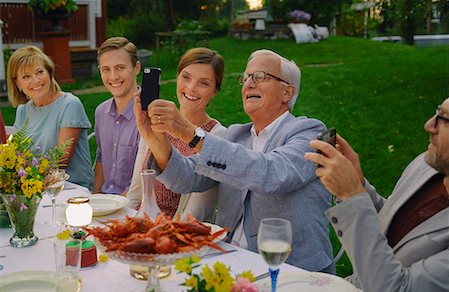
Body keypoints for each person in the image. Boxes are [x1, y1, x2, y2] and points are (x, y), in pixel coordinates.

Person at [134, 49, 334, 273]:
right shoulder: (238, 136)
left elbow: (271, 173)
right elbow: (187, 178)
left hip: (290, 271)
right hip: (229, 263)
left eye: (260, 77)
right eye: (246, 77)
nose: (249, 84)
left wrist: (189, 132)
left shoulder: (309, 132)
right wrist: (156, 139)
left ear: (287, 92)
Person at [304, 98, 449, 292]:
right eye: (437, 112)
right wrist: (359, 186)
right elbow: (392, 223)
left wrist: (352, 197)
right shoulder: (426, 165)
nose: (429, 125)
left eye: (444, 119)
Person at [127, 47, 226, 221]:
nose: (191, 88)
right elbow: (135, 193)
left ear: (215, 92)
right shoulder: (156, 123)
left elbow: (193, 215)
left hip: (179, 236)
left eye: (203, 83)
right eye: (186, 77)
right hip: (142, 226)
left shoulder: (217, 137)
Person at [7, 46, 93, 189]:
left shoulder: (70, 105)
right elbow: (17, 157)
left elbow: (60, 163)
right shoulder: (22, 111)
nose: (35, 80)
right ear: (18, 84)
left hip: (71, 191)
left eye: (39, 72)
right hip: (35, 190)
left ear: (49, 72)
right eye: (26, 76)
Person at [93, 37, 141, 195]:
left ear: (136, 68)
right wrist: (96, 199)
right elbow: (101, 158)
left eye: (120, 68)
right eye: (106, 69)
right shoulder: (101, 112)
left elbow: (151, 174)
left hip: (135, 207)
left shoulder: (150, 115)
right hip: (106, 202)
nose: (113, 76)